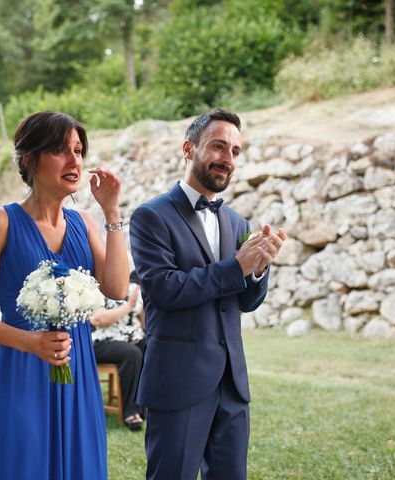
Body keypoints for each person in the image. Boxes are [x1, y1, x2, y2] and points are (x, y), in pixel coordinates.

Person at [0, 111, 129, 479]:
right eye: (59, 150)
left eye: (78, 150)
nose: (74, 161)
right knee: (23, 465)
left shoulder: (84, 222)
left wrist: (111, 211)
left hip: (78, 365)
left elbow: (116, 288)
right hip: (20, 371)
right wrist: (28, 341)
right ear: (29, 159)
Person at [130, 108, 286, 480]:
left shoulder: (237, 222)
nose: (227, 159)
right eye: (218, 147)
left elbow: (245, 302)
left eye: (235, 151)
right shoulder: (150, 216)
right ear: (189, 148)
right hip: (178, 381)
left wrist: (259, 268)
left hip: (232, 384)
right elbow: (164, 290)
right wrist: (237, 267)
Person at [91, 272, 145, 431]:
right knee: (132, 353)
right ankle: (131, 412)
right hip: (102, 340)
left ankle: (148, 406)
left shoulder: (135, 288)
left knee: (152, 347)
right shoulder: (97, 289)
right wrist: (127, 306)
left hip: (131, 336)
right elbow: (98, 320)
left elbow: (143, 324)